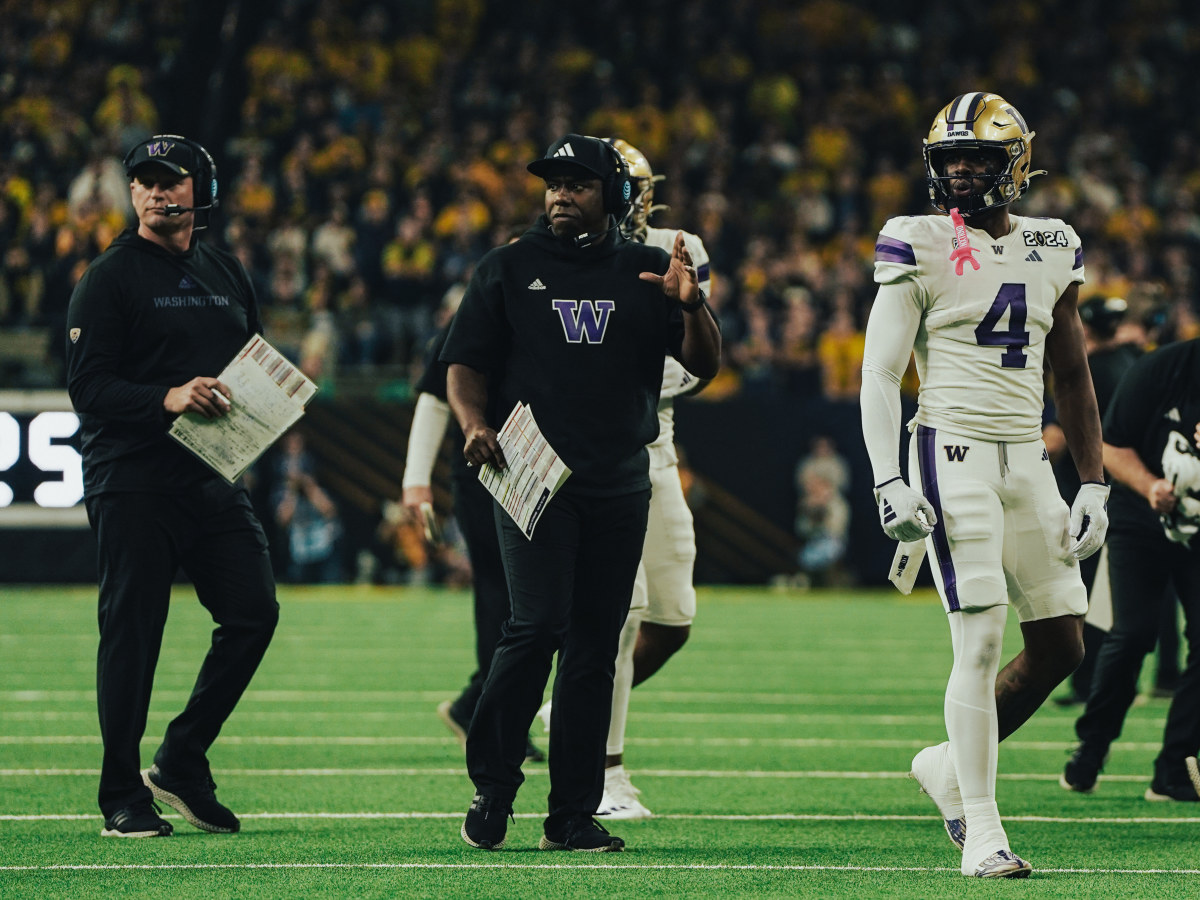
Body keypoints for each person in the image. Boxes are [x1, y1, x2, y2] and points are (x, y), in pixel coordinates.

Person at [441, 133, 720, 853]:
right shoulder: (508, 267)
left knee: (596, 646)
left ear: (617, 197)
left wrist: (692, 308)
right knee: (533, 629)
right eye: (553, 183)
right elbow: (465, 364)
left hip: (619, 478)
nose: (560, 194)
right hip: (531, 473)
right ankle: (493, 784)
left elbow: (704, 365)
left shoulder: (649, 269)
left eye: (578, 183)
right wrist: (473, 423)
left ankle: (571, 813)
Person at [859, 93, 1108, 878]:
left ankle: (945, 765)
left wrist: (1093, 481)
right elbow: (879, 371)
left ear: (1017, 165)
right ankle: (983, 826)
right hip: (950, 447)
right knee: (983, 634)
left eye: (980, 159)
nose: (962, 172)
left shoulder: (1053, 243)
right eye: (951, 159)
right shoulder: (917, 238)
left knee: (1063, 640)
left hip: (1026, 457)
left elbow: (1070, 370)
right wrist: (887, 480)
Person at [65, 135, 280, 838]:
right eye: (146, 182)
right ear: (131, 195)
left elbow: (251, 357)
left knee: (254, 612)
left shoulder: (225, 268)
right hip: (132, 476)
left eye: (173, 181)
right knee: (134, 632)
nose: (159, 193)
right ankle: (121, 795)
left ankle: (182, 759)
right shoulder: (109, 277)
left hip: (211, 472)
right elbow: (88, 386)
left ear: (201, 192)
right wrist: (168, 396)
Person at [593, 137, 711, 819]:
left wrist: (634, 385)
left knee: (672, 615)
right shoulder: (561, 258)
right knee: (620, 611)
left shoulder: (674, 246)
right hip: (595, 455)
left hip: (655, 445)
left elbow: (697, 358)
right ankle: (605, 771)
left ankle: (569, 710)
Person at [1060, 338, 1200, 801]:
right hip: (1142, 515)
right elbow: (1112, 447)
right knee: (1134, 633)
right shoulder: (1160, 369)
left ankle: (1175, 767)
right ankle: (1092, 744)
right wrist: (1151, 486)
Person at [402, 318, 545, 763]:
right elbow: (434, 392)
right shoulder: (492, 290)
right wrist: (415, 479)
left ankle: (481, 708)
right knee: (505, 598)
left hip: (546, 469)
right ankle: (495, 720)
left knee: (534, 605)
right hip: (491, 470)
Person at [1046, 297, 1145, 705]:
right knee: (1117, 596)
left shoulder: (1084, 373)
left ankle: (1089, 684)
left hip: (1088, 494)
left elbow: (1053, 442)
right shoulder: (1131, 367)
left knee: (1079, 592)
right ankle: (1117, 681)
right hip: (1131, 492)